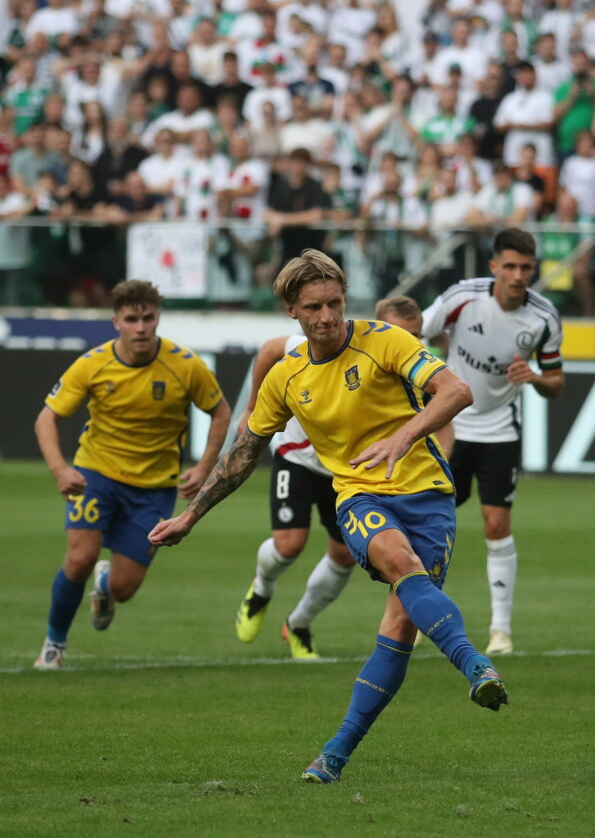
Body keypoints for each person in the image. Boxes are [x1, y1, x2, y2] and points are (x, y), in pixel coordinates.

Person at [149, 250, 505, 785]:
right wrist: (191, 516)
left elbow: (457, 390)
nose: (327, 317)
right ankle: (474, 664)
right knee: (398, 561)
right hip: (360, 495)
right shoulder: (286, 376)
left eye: (335, 303)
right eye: (314, 307)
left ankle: (335, 754)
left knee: (401, 623)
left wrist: (404, 435)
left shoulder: (385, 340)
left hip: (428, 493)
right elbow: (245, 453)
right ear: (293, 310)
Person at [32, 280, 232, 669]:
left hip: (155, 488)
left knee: (124, 590)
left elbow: (221, 412)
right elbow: (46, 418)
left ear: (157, 319)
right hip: (97, 474)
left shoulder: (185, 365)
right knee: (79, 559)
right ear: (115, 322)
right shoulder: (93, 364)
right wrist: (60, 470)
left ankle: (106, 585)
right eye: (131, 319)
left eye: (148, 318)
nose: (140, 327)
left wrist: (205, 466)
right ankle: (54, 645)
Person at [234, 294, 433, 659]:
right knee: (289, 545)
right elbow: (269, 350)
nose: (409, 343)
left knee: (343, 556)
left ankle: (298, 623)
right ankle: (261, 588)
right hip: (298, 456)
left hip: (349, 473)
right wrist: (251, 408)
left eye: (416, 335)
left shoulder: (412, 368)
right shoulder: (329, 344)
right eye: (401, 334)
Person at [419, 228, 564, 655]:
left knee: (496, 523)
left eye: (526, 268)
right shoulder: (463, 297)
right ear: (494, 267)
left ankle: (501, 629)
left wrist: (535, 378)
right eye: (511, 266)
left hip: (501, 430)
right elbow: (413, 332)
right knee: (430, 520)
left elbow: (556, 382)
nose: (518, 275)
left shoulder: (544, 318)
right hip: (452, 426)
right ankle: (416, 612)